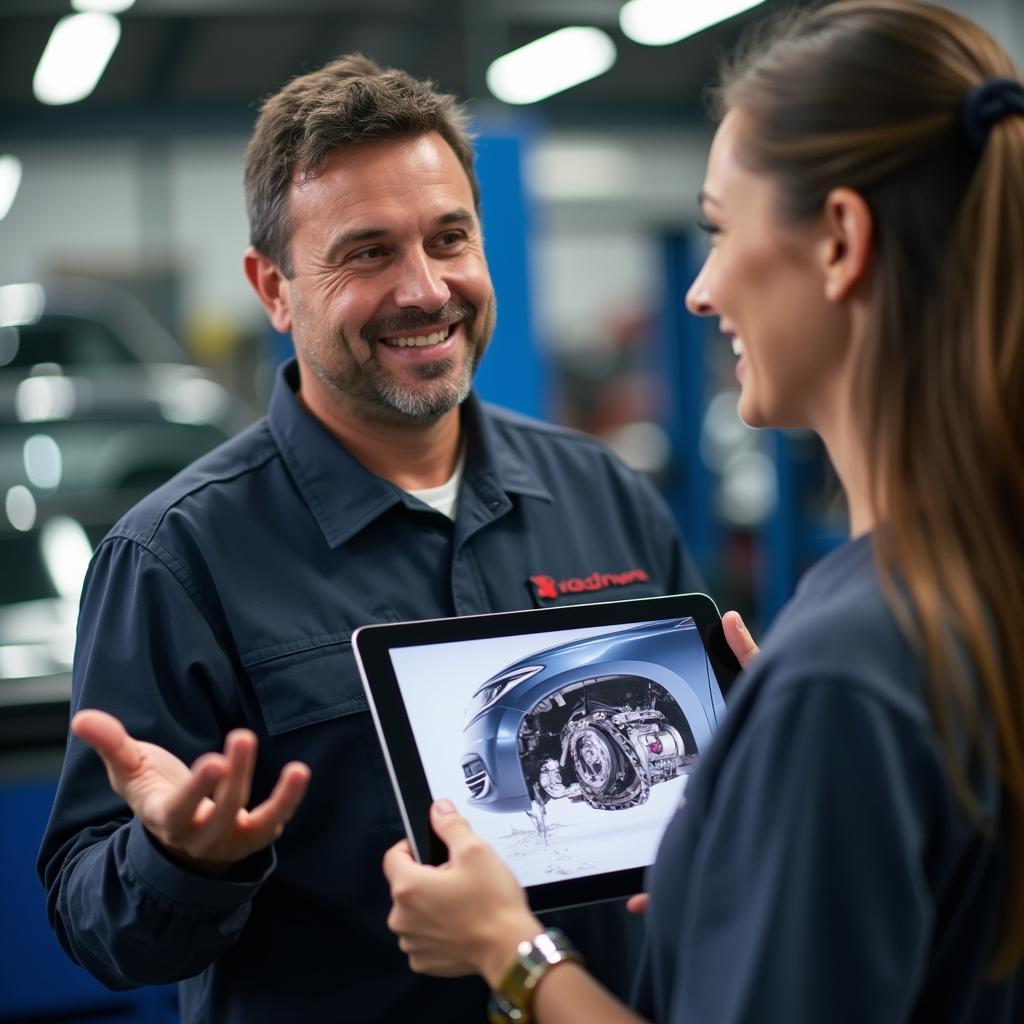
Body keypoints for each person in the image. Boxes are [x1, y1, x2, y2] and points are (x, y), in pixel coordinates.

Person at [36, 55, 717, 1024]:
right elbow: (95, 924)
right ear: (273, 289)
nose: (424, 288)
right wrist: (184, 855)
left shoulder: (604, 491)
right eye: (366, 253)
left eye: (449, 238)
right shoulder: (176, 558)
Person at [383, 2, 1024, 1021]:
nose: (700, 289)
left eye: (721, 229)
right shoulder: (939, 601)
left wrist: (513, 951)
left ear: (840, 242)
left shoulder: (847, 672)